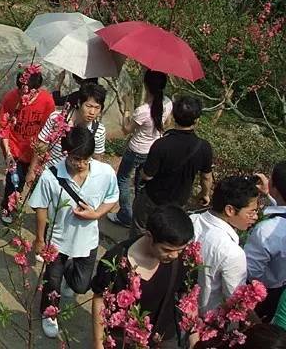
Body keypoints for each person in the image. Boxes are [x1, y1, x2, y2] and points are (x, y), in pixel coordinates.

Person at [29, 126, 119, 338]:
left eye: (85, 159)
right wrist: (40, 239)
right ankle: (49, 313)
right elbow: (41, 208)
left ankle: (69, 271)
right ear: (66, 153)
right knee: (52, 283)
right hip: (57, 239)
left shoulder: (104, 173)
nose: (80, 164)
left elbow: (112, 197)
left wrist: (96, 214)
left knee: (80, 286)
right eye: (75, 158)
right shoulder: (51, 176)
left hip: (87, 240)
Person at [92, 205, 195, 349]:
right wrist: (98, 342)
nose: (174, 255)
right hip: (123, 339)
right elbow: (100, 299)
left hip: (164, 336)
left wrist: (194, 338)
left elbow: (188, 295)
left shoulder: (183, 260)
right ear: (149, 236)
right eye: (166, 249)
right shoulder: (116, 261)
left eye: (179, 250)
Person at [131, 95, 213, 238]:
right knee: (165, 236)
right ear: (197, 120)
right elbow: (206, 177)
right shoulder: (204, 147)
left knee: (140, 230)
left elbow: (147, 175)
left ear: (174, 116)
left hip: (153, 197)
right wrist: (205, 194)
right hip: (178, 202)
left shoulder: (161, 144)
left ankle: (133, 255)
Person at [109, 70, 171, 228]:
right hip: (153, 150)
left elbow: (126, 129)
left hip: (136, 150)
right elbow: (167, 123)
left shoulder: (143, 111)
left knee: (122, 179)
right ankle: (139, 214)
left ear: (146, 85)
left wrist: (127, 108)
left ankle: (125, 215)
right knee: (141, 183)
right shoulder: (168, 103)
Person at [190, 175, 260, 314]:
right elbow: (234, 300)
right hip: (211, 320)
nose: (256, 217)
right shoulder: (232, 252)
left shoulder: (191, 221)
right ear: (230, 210)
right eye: (251, 212)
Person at [0, 68, 55, 224]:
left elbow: (49, 130)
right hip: (15, 149)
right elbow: (4, 128)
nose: (24, 94)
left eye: (29, 91)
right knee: (13, 181)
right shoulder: (10, 98)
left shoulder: (47, 101)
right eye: (21, 89)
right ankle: (7, 208)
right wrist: (8, 153)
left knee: (35, 183)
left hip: (36, 151)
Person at [245, 161, 286, 321]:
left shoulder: (266, 231)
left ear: (274, 186)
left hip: (263, 296)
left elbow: (251, 272)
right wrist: (269, 194)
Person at [36, 82, 107, 165]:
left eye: (97, 108)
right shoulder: (56, 118)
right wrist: (32, 171)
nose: (92, 112)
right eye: (88, 106)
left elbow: (97, 159)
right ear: (79, 103)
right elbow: (41, 146)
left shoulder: (99, 130)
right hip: (51, 171)